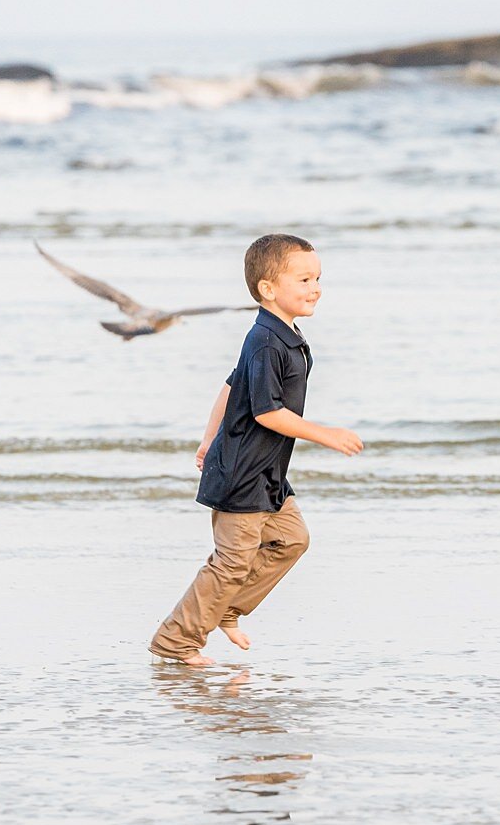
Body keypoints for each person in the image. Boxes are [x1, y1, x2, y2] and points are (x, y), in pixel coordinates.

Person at [149, 234, 364, 665]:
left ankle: (226, 608)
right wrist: (327, 434)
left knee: (291, 540)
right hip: (242, 472)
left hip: (267, 473)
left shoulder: (282, 334)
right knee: (231, 562)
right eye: (303, 279)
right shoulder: (266, 340)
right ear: (268, 288)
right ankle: (176, 640)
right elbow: (267, 413)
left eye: (318, 277)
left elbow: (231, 387)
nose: (315, 287)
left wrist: (209, 438)